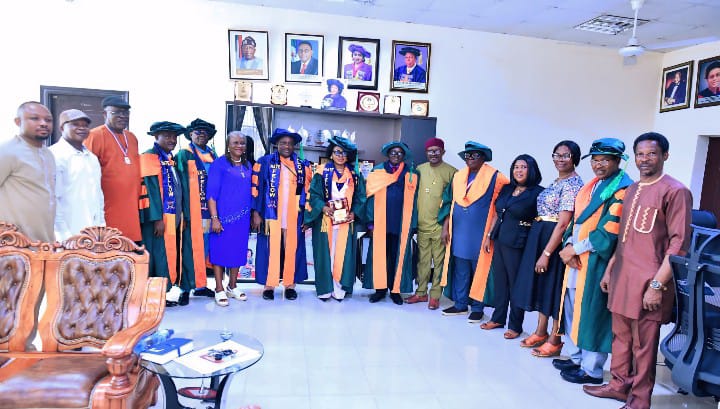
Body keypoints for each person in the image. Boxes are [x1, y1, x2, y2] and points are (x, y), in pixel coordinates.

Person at [584, 132, 692, 409]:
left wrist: (657, 286)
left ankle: (640, 399)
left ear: (665, 156)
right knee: (620, 337)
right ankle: (619, 386)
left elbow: (679, 245)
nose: (645, 159)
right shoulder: (632, 189)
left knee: (643, 344)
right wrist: (610, 270)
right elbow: (624, 238)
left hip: (650, 281)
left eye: (652, 154)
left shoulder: (675, 191)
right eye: (640, 154)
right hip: (623, 276)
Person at [553, 138, 633, 382]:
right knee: (572, 308)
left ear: (617, 161)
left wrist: (574, 249)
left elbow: (609, 232)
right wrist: (568, 246)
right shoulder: (593, 185)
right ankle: (576, 358)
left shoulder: (622, 189)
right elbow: (577, 220)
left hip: (597, 261)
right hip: (577, 258)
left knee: (592, 313)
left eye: (605, 160)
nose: (598, 165)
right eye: (595, 160)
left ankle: (592, 370)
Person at [513, 141, 583, 350]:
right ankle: (540, 331)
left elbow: (563, 223)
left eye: (566, 155)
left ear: (575, 158)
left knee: (554, 288)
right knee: (543, 286)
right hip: (541, 234)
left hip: (554, 240)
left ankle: (555, 338)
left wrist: (546, 253)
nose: (560, 159)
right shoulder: (557, 181)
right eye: (557, 155)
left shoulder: (572, 184)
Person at [439, 142, 509, 323]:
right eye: (467, 155)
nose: (470, 158)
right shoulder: (458, 176)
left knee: (480, 270)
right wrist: (446, 227)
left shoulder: (496, 178)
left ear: (483, 157)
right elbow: (448, 202)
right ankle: (461, 304)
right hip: (459, 231)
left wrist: (491, 234)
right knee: (461, 268)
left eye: (474, 155)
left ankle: (478, 307)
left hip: (481, 232)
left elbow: (502, 208)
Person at [482, 155, 543, 338]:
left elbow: (540, 222)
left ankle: (515, 326)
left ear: (531, 170)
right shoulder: (508, 188)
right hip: (500, 240)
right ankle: (498, 318)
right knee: (500, 282)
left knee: (516, 284)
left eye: (523, 167)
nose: (519, 170)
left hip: (519, 243)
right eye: (516, 167)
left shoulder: (538, 193)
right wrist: (489, 236)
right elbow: (497, 213)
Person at [251, 128, 312, 300]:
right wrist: (256, 212)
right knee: (268, 250)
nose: (287, 146)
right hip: (270, 215)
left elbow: (308, 192)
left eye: (290, 143)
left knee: (293, 250)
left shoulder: (303, 165)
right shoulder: (264, 162)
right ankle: (269, 286)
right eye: (283, 143)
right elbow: (256, 189)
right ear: (276, 144)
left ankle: (290, 285)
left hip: (294, 216)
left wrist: (307, 216)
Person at [305, 136, 366, 301]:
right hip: (325, 221)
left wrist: (355, 212)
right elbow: (314, 195)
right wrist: (323, 207)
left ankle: (339, 287)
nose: (340, 155)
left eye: (344, 153)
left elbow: (361, 197)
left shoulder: (354, 175)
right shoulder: (321, 172)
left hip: (345, 223)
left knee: (342, 255)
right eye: (337, 152)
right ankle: (324, 288)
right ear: (331, 154)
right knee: (324, 255)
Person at [139, 121, 189, 306]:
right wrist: (157, 218)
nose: (172, 140)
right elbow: (150, 190)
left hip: (171, 217)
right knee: (155, 257)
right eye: (167, 136)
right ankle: (151, 298)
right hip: (155, 220)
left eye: (174, 137)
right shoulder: (149, 157)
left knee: (164, 256)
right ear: (156, 136)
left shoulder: (169, 159)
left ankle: (160, 295)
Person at [363, 141, 419, 305]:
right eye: (393, 152)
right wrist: (371, 222)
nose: (396, 155)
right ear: (388, 154)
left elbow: (416, 200)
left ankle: (395, 291)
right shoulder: (377, 171)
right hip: (381, 222)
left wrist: (413, 224)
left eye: (400, 153)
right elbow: (370, 197)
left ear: (404, 155)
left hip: (401, 223)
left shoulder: (411, 174)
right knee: (380, 256)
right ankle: (380, 290)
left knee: (397, 257)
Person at [405, 138, 456, 310]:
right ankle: (421, 293)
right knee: (423, 262)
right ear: (426, 153)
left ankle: (435, 296)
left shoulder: (452, 172)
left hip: (440, 227)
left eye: (437, 150)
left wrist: (446, 227)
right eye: (430, 151)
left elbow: (452, 203)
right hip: (422, 226)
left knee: (439, 263)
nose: (433, 154)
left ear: (443, 152)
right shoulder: (419, 170)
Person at [84, 96, 141, 243]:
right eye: (116, 112)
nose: (122, 116)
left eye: (125, 113)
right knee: (109, 247)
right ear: (105, 114)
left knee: (129, 248)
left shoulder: (132, 138)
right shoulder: (95, 136)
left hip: (131, 209)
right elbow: (87, 175)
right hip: (107, 209)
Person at [207, 131, 253, 306]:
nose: (239, 146)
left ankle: (232, 286)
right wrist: (215, 218)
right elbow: (211, 195)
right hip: (223, 218)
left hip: (242, 218)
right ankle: (219, 288)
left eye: (242, 143)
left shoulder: (247, 165)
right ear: (228, 145)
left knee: (238, 251)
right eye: (235, 142)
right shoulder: (219, 164)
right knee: (219, 251)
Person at [0, 101, 55, 242]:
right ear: (18, 122)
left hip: (43, 242)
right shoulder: (7, 151)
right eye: (35, 118)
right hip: (13, 243)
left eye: (48, 120)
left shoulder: (48, 154)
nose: (43, 123)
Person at [176, 118, 218, 298]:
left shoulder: (212, 155)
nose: (201, 135)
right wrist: (182, 212)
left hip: (209, 211)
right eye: (197, 132)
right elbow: (180, 184)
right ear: (190, 134)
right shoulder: (184, 154)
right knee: (188, 248)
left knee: (204, 248)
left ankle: (200, 285)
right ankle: (185, 288)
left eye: (205, 132)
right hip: (191, 210)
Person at [50, 109, 105, 241]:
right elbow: (52, 199)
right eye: (75, 124)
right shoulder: (54, 155)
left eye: (85, 125)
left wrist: (101, 226)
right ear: (62, 128)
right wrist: (64, 235)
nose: (82, 128)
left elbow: (98, 195)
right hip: (66, 235)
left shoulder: (92, 158)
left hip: (92, 234)